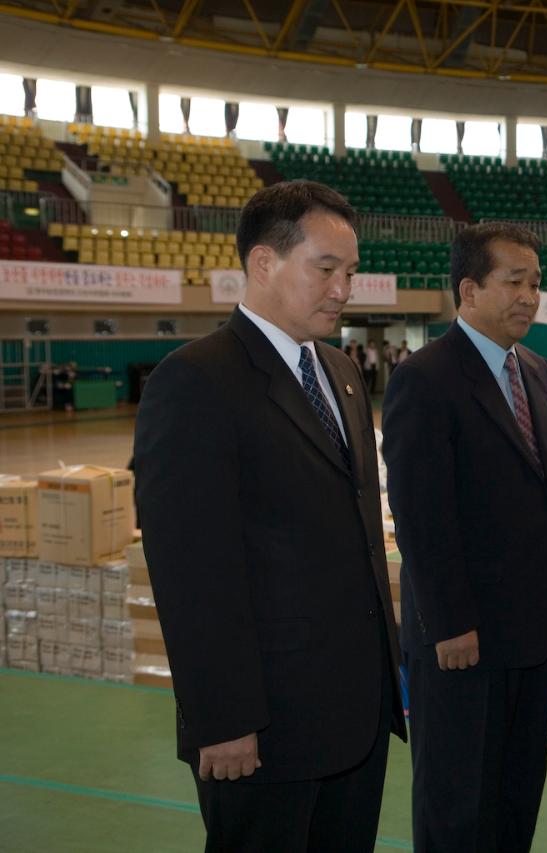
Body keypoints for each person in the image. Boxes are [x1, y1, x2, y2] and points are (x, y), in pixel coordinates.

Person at [133, 180, 405, 852]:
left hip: (356, 714)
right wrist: (221, 717)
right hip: (263, 725)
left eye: (351, 271)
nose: (344, 288)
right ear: (262, 263)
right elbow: (190, 569)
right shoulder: (196, 381)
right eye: (326, 269)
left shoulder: (342, 373)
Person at [382, 222, 547, 853]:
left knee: (517, 791)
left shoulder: (537, 370)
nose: (529, 296)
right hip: (463, 636)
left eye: (536, 284)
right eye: (514, 282)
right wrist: (448, 622)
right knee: (458, 802)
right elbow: (421, 513)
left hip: (533, 628)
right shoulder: (426, 377)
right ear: (468, 290)